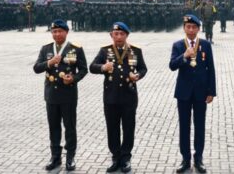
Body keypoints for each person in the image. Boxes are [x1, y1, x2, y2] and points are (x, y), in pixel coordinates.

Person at [89, 22, 148, 173]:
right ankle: (115, 157)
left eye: (122, 34)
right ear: (111, 35)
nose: (119, 37)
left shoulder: (135, 51)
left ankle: (126, 157)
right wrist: (103, 68)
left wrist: (138, 75)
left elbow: (143, 68)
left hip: (129, 97)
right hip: (111, 97)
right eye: (116, 34)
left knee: (129, 128)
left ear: (127, 35)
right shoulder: (105, 51)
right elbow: (92, 67)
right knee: (112, 128)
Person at [32, 19, 88, 171]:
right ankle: (55, 157)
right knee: (53, 127)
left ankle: (70, 157)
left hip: (68, 95)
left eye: (60, 31)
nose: (57, 34)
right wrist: (49, 63)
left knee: (69, 127)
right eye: (54, 31)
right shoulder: (46, 49)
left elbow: (83, 70)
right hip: (51, 95)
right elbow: (36, 68)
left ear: (66, 32)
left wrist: (73, 79)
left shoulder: (75, 48)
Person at [169, 14, 216, 173]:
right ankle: (185, 159)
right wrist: (184, 56)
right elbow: (172, 65)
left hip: (201, 93)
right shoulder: (178, 45)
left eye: (194, 27)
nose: (190, 29)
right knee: (184, 126)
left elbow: (211, 69)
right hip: (183, 93)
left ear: (198, 29)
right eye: (188, 27)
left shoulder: (205, 45)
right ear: (184, 28)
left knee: (200, 126)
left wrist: (211, 91)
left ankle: (199, 158)